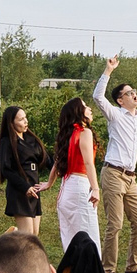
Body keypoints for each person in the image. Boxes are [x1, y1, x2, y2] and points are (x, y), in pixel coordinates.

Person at [91, 58, 137, 273]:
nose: (134, 95)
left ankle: (132, 266)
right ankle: (108, 270)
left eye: (134, 92)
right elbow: (98, 97)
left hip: (130, 177)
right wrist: (108, 70)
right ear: (120, 100)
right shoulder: (115, 115)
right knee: (115, 224)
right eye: (129, 93)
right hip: (113, 173)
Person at [49, 96, 101, 256]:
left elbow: (57, 161)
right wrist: (96, 188)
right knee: (89, 237)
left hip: (67, 188)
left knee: (70, 239)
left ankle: (73, 270)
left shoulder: (68, 135)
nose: (89, 109)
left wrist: (49, 183)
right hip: (80, 187)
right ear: (78, 112)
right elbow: (88, 162)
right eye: (85, 106)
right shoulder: (84, 132)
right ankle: (89, 270)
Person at [0, 104, 47, 236]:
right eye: (21, 119)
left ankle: (11, 239)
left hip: (34, 189)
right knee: (27, 234)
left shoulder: (31, 139)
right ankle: (7, 243)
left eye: (25, 117)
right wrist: (25, 187)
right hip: (19, 190)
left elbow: (47, 159)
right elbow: (6, 169)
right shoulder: (7, 142)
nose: (26, 121)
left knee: (34, 234)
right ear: (11, 123)